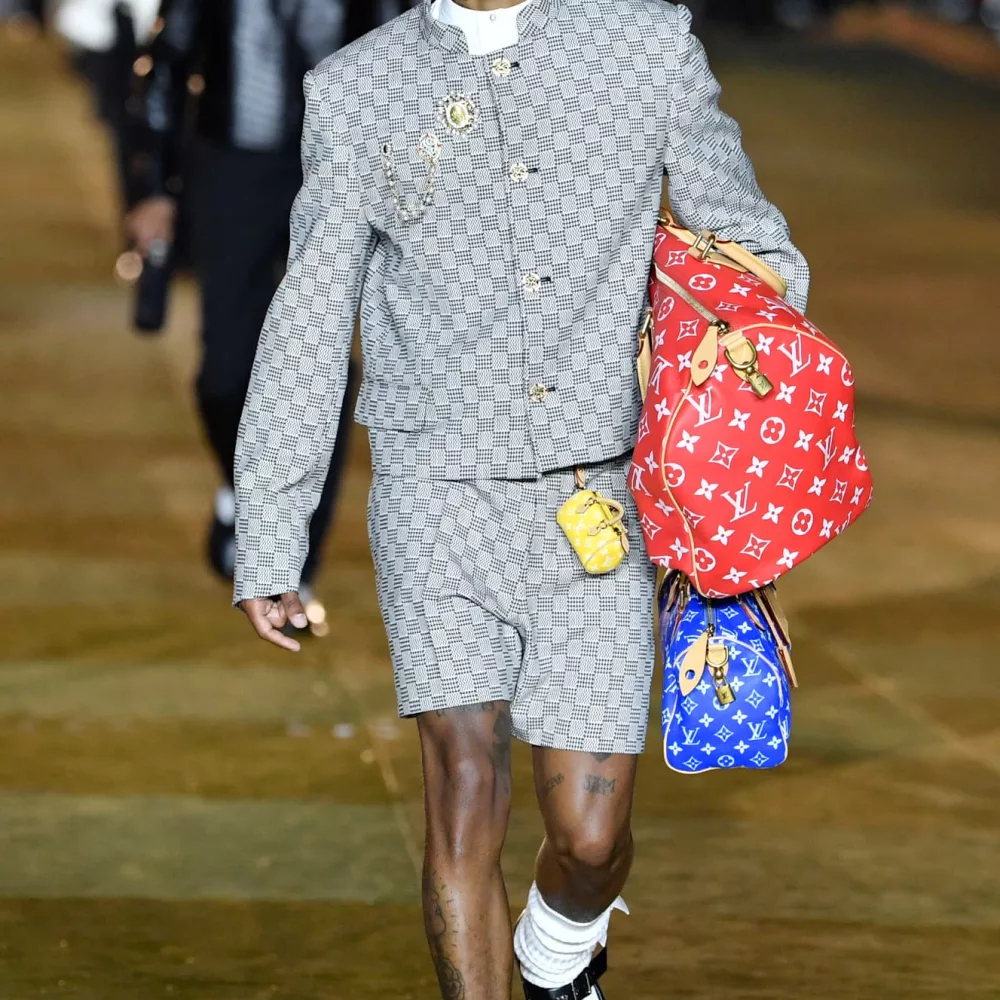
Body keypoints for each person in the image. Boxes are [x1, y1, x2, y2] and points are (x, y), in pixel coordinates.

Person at [235, 0, 809, 996]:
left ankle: (554, 957)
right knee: (463, 789)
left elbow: (752, 244)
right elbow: (310, 314)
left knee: (590, 838)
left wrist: (733, 409)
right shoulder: (358, 87)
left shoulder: (642, 46)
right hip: (432, 491)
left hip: (600, 495)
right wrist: (272, 533)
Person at [124, 0, 413, 631]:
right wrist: (150, 188)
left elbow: (413, 47)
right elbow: (166, 62)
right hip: (233, 166)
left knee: (326, 368)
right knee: (223, 375)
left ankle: (294, 562)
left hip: (343, 164)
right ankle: (247, 488)